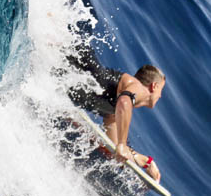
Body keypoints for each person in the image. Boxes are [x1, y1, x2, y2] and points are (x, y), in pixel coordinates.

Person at [66, 41, 166, 182]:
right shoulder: (136, 86)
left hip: (66, 70)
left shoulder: (113, 112)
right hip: (75, 55)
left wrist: (146, 162)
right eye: (161, 90)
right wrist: (122, 145)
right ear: (154, 86)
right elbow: (124, 103)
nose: (161, 96)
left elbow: (114, 149)